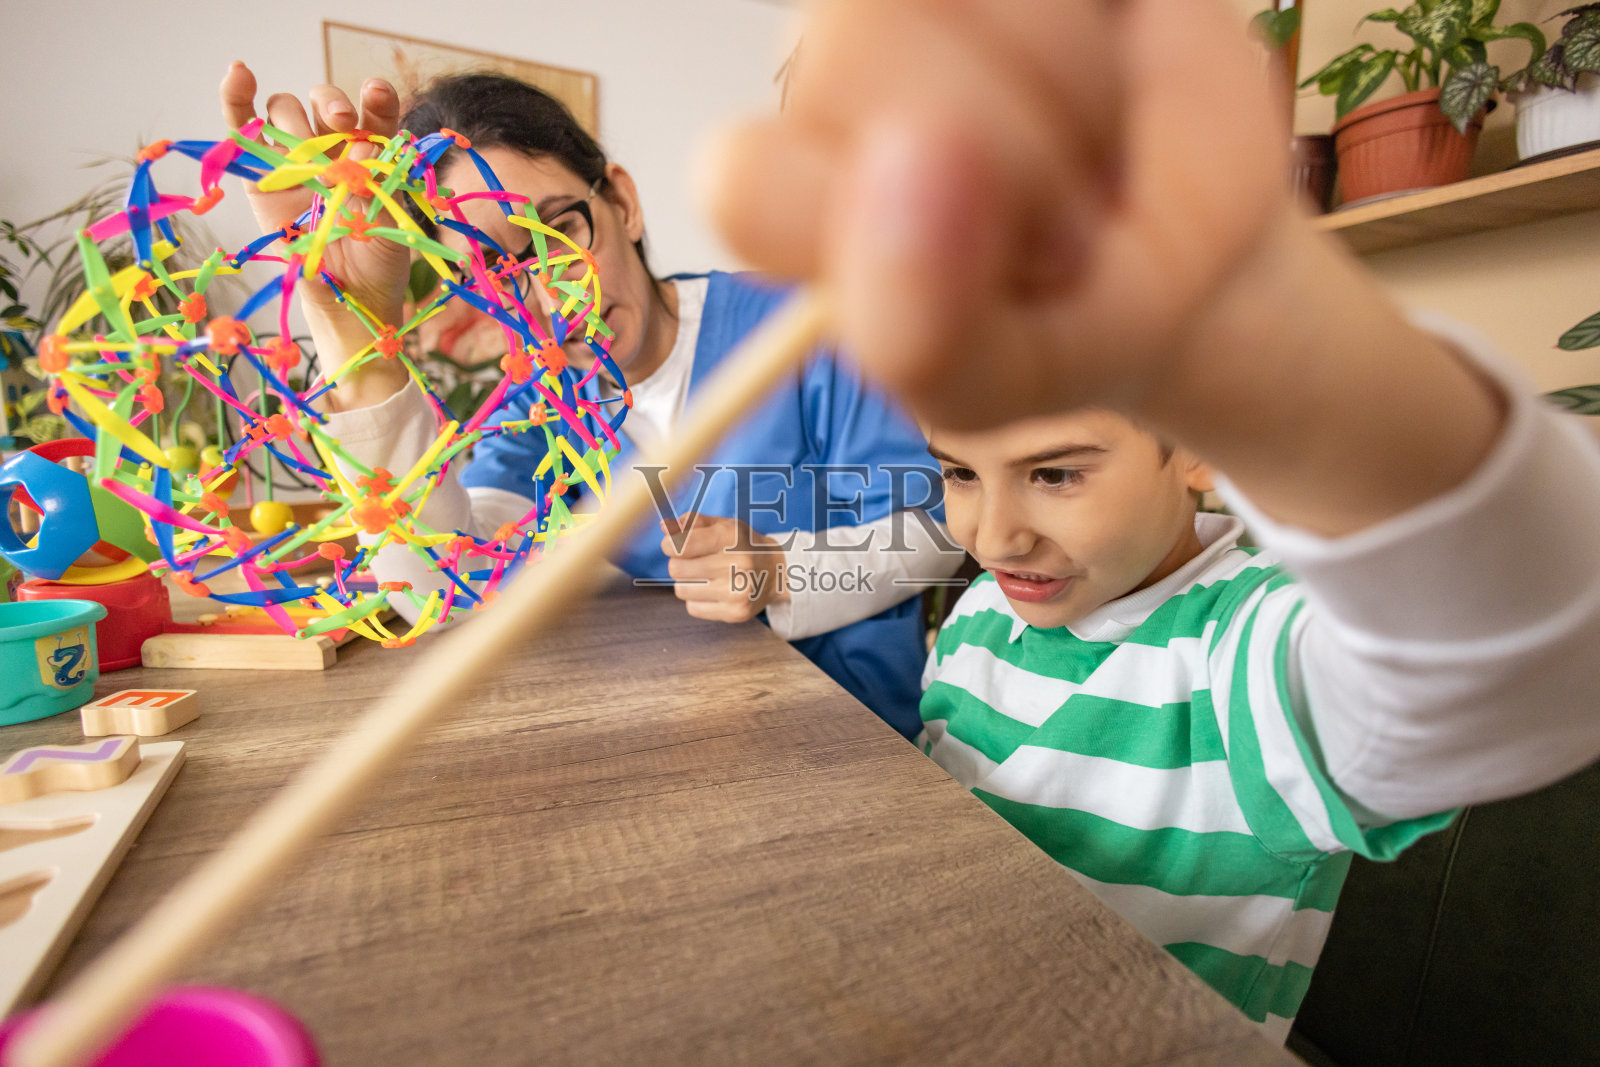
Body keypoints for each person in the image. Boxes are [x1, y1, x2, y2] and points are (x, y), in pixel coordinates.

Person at [703, 0, 1600, 1041]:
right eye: (955, 470)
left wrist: (1270, 343)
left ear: (1197, 437)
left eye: (1055, 472)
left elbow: (1509, 665)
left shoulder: (1246, 658)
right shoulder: (991, 618)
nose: (994, 538)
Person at [218, 63, 964, 737]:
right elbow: (445, 592)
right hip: (691, 748)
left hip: (861, 751)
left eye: (561, 232)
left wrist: (780, 570)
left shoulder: (801, 327)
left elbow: (941, 530)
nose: (551, 291)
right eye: (492, 271)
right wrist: (349, 323)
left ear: (624, 203)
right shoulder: (543, 400)